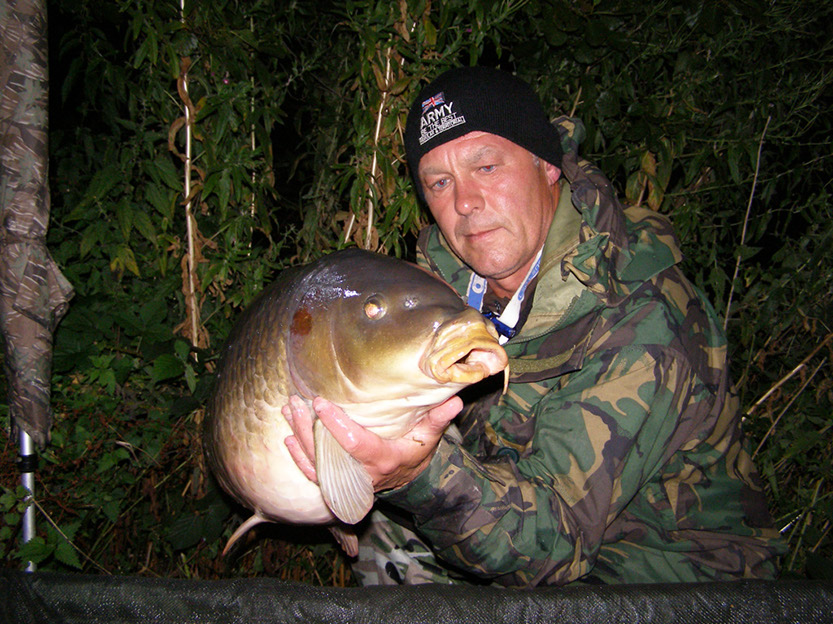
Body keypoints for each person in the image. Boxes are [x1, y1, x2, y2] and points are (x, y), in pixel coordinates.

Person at [283, 66, 785, 586]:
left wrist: (416, 473)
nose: (465, 202)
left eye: (487, 167)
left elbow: (552, 540)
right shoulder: (441, 300)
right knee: (386, 537)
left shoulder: (645, 316)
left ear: (546, 165)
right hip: (524, 526)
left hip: (670, 577)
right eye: (440, 182)